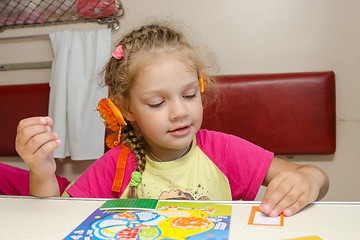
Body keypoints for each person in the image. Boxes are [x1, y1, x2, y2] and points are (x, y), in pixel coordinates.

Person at [15, 23, 329, 217]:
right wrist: (42, 171)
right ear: (126, 109)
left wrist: (310, 180)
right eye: (157, 102)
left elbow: (311, 175)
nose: (179, 112)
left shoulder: (224, 152)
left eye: (190, 95)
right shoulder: (116, 165)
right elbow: (56, 217)